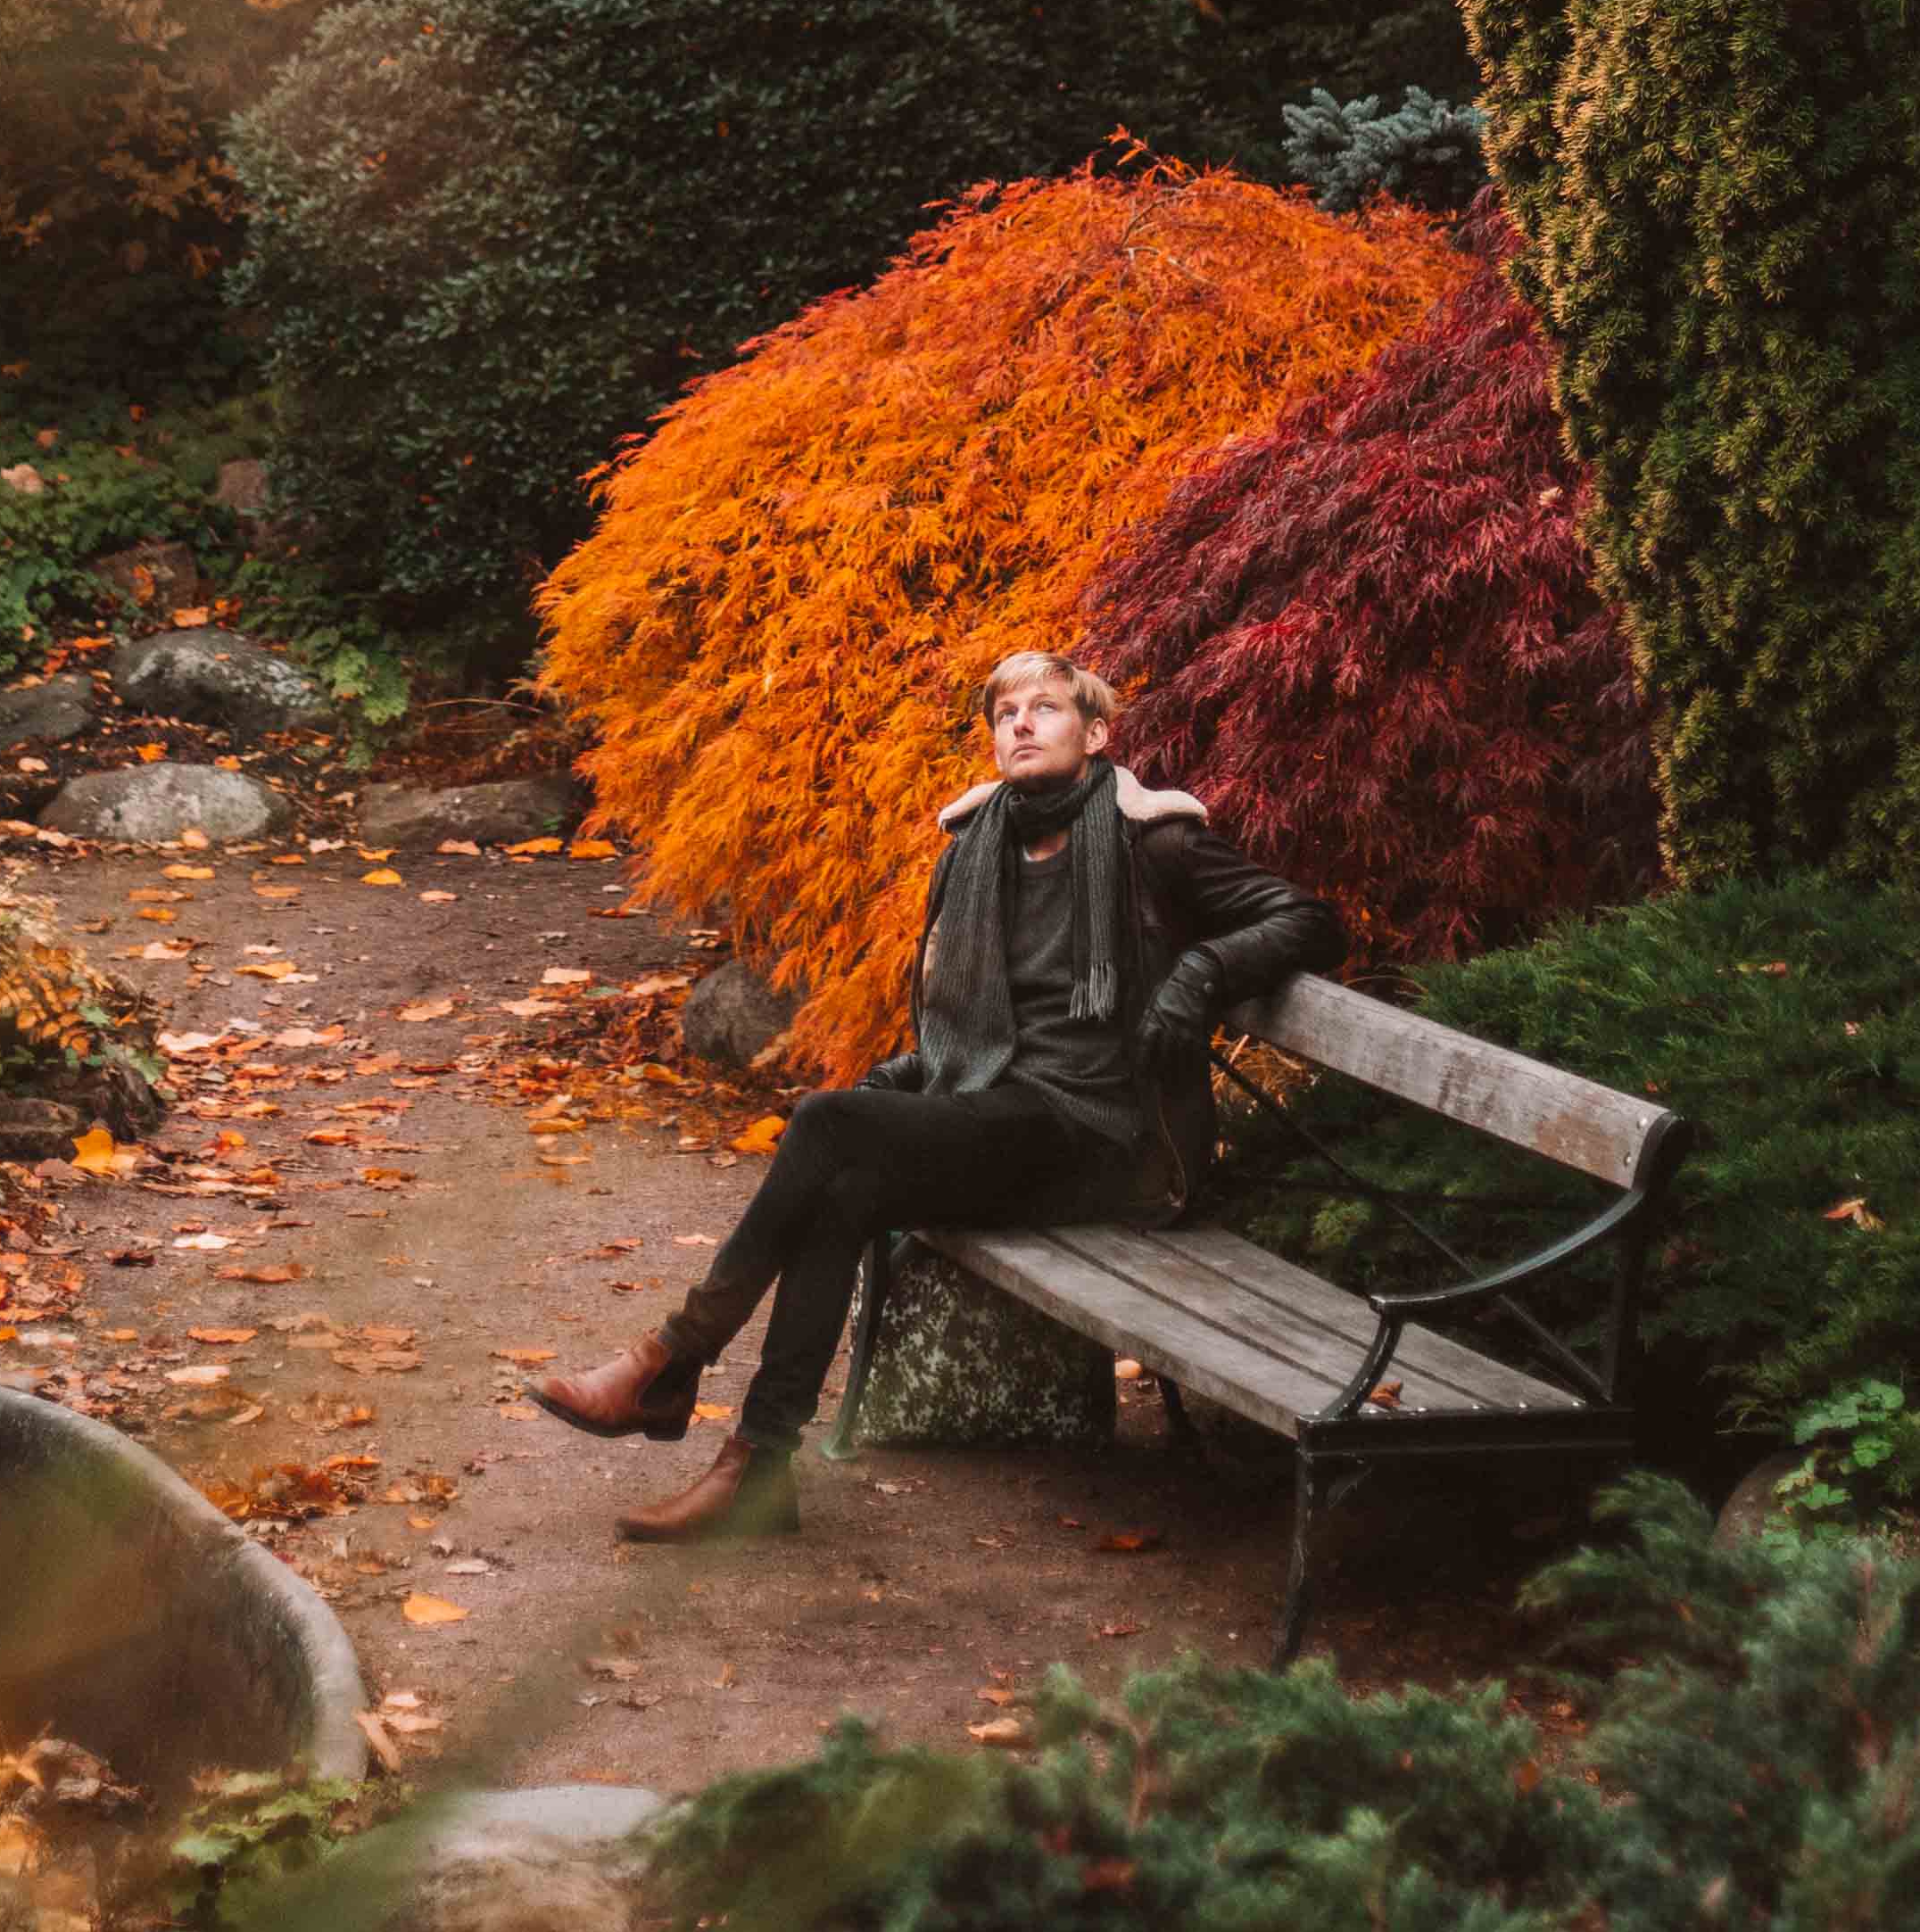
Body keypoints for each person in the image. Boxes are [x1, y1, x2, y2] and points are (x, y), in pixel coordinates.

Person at [533, 645, 1335, 1542]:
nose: (1020, 724)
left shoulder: (1157, 842)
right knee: (843, 1189)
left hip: (1104, 1142)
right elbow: (964, 1026)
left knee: (827, 1123)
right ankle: (755, 1469)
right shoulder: (975, 849)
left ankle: (669, 1360)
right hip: (999, 1118)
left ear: (1097, 732)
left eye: (1045, 709)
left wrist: (1196, 975)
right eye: (1004, 714)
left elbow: (1307, 918)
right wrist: (901, 1084)